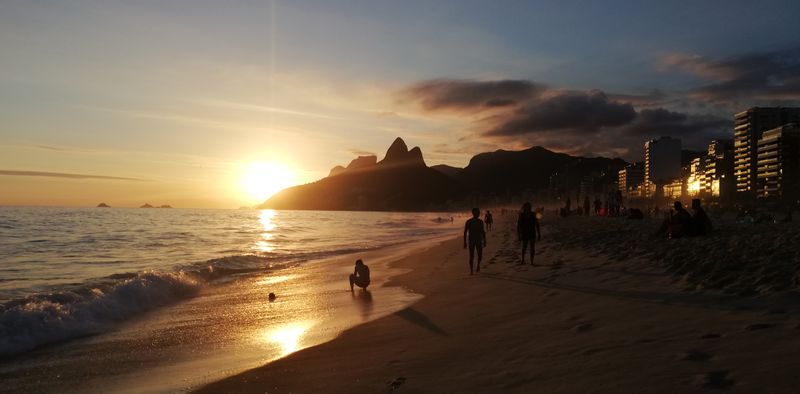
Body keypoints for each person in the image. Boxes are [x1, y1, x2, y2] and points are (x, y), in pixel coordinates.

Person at [463, 208, 487, 275]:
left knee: (480, 256)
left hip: (478, 240)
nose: (479, 214)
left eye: (479, 212)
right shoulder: (469, 222)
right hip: (472, 241)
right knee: (471, 256)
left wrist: (485, 240)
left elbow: (483, 232)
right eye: (478, 212)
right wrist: (464, 242)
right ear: (473, 213)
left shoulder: (480, 222)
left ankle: (478, 265)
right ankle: (471, 270)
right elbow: (465, 232)